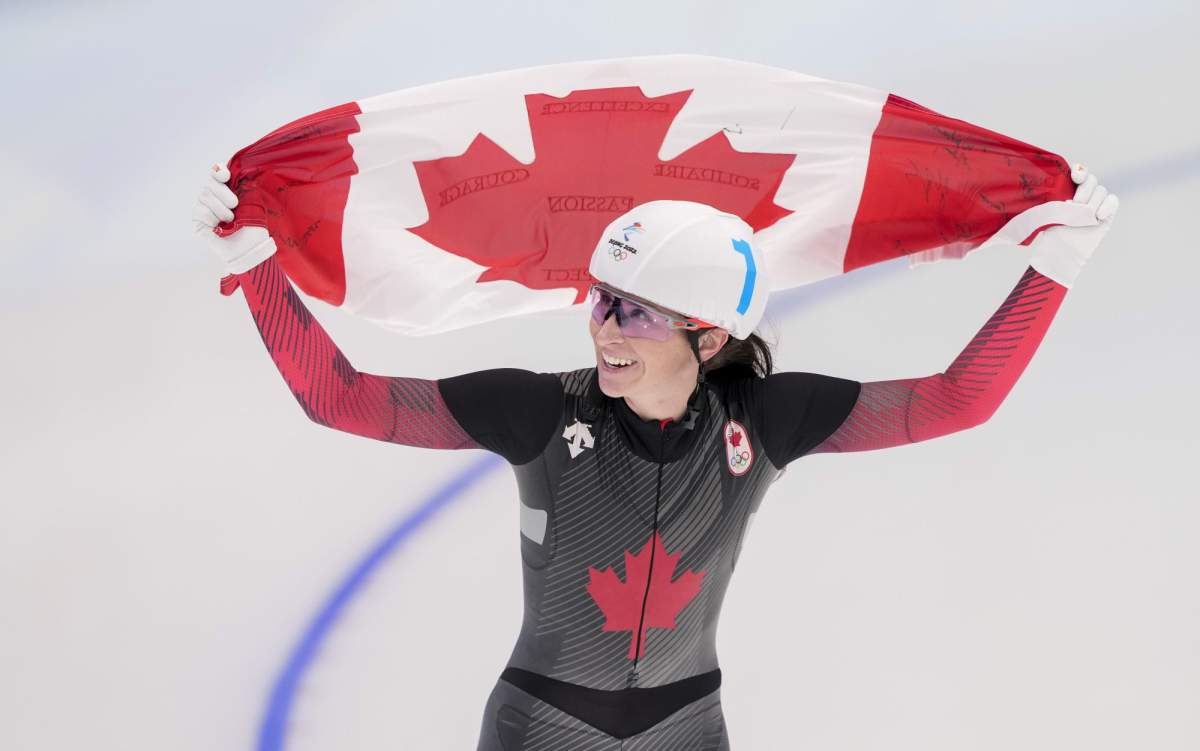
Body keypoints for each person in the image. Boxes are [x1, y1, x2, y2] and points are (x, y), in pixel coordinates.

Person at [194, 162, 1118, 749]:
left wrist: (1057, 267)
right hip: (542, 726)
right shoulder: (539, 412)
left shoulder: (767, 418)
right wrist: (256, 267)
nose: (604, 328)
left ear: (708, 336)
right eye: (600, 299)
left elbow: (958, 397)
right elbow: (342, 395)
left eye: (633, 309)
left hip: (687, 727)